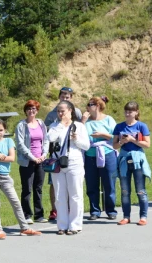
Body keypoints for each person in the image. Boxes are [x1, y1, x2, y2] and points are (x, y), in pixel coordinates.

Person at [0, 119, 42, 240]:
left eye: (1, 130)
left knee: (15, 201)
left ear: (5, 130)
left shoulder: (9, 141)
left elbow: (11, 158)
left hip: (6, 177)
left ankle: (24, 227)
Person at [47, 101, 90, 235]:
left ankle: (75, 225)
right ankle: (62, 225)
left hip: (74, 162)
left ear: (70, 110)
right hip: (58, 163)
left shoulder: (78, 126)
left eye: (63, 111)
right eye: (58, 111)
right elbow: (50, 138)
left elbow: (86, 146)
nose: (60, 114)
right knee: (60, 196)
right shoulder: (55, 125)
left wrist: (76, 139)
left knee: (75, 195)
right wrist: (61, 125)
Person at [44, 87, 83, 221]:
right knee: (56, 187)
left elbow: (80, 130)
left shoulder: (77, 112)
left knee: (74, 190)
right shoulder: (51, 114)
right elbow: (48, 134)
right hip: (56, 155)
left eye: (68, 97)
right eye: (63, 96)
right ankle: (56, 211)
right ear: (59, 97)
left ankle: (73, 216)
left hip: (73, 156)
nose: (65, 99)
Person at [112, 101, 151, 225]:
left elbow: (147, 145)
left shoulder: (141, 126)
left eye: (130, 111)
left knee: (140, 190)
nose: (128, 114)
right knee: (125, 190)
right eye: (126, 111)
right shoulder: (119, 127)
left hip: (138, 159)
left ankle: (143, 217)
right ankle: (126, 216)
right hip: (124, 159)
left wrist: (133, 140)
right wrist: (122, 142)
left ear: (136, 112)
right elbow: (114, 145)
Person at [81, 96, 117, 220]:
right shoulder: (85, 121)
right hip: (90, 154)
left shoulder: (109, 119)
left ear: (97, 106)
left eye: (90, 104)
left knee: (109, 183)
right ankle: (95, 211)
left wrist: (103, 135)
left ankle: (111, 210)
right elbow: (78, 135)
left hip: (107, 153)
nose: (87, 107)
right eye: (88, 104)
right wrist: (83, 121)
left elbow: (116, 137)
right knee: (91, 184)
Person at [15, 100, 49, 223]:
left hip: (40, 160)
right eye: (29, 108)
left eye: (33, 108)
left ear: (37, 110)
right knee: (27, 189)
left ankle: (39, 215)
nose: (31, 111)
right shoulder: (21, 125)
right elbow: (20, 144)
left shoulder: (41, 123)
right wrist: (32, 157)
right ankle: (27, 215)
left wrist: (44, 154)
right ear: (25, 111)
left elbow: (46, 140)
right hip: (27, 161)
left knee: (38, 188)